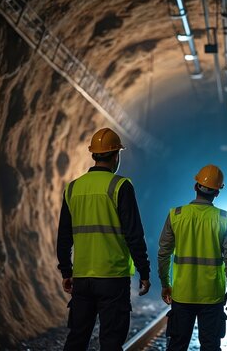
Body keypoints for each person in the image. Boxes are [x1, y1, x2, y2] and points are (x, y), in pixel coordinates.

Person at [56, 127, 151, 350]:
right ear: (116, 155)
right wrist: (144, 272)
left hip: (82, 278)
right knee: (111, 341)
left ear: (94, 154)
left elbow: (63, 236)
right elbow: (134, 234)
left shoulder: (73, 188)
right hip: (112, 278)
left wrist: (67, 272)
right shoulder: (120, 186)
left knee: (77, 338)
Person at [158, 164, 227, 351]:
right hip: (212, 295)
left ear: (195, 186)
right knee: (210, 346)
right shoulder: (224, 218)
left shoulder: (176, 215)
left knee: (177, 345)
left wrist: (165, 283)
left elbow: (163, 253)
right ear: (217, 193)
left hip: (183, 293)